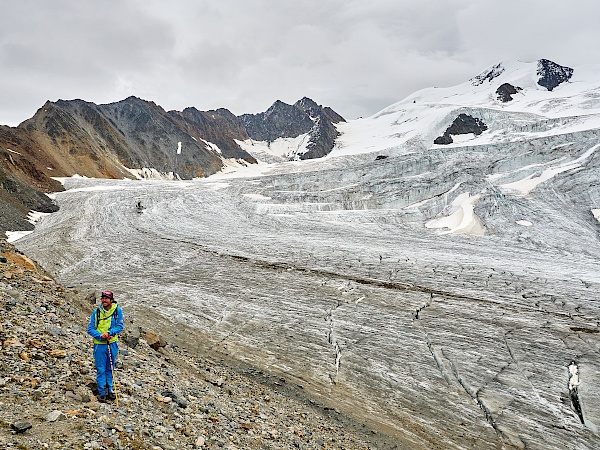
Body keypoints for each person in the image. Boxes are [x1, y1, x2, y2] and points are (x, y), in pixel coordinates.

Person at [87, 290, 124, 402]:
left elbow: (120, 326)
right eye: (103, 298)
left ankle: (110, 390)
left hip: (112, 343)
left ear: (111, 300)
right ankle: (102, 392)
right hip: (99, 345)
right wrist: (100, 336)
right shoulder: (96, 313)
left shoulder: (117, 311)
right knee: (101, 368)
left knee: (110, 368)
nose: (104, 300)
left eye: (106, 298)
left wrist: (110, 333)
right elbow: (90, 329)